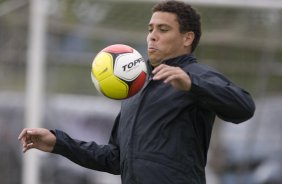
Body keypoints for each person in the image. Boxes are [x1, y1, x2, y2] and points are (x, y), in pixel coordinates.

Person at [18, 1, 255, 183]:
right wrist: (59, 142)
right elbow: (115, 158)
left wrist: (193, 84)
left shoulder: (197, 76)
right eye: (151, 28)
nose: (152, 35)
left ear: (187, 38)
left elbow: (244, 107)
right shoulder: (136, 88)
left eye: (163, 29)